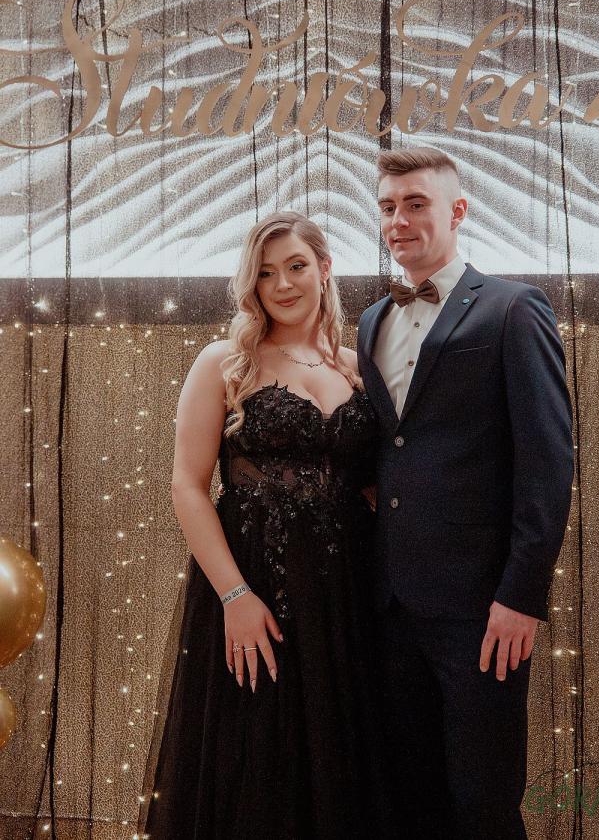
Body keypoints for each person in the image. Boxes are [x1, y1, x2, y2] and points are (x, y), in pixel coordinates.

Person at [140, 212, 393, 840]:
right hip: (257, 585)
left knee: (344, 757)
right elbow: (188, 486)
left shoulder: (357, 366)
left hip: (347, 595)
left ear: (324, 268)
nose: (282, 284)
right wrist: (234, 596)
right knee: (258, 756)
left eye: (296, 266)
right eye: (266, 273)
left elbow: (375, 479)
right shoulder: (225, 362)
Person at [356, 147, 575, 840]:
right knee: (410, 801)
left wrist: (522, 596)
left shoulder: (513, 308)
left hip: (482, 611)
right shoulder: (370, 321)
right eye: (388, 207)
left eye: (415, 204)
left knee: (483, 803)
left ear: (457, 211)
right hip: (389, 607)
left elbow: (547, 463)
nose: (398, 220)